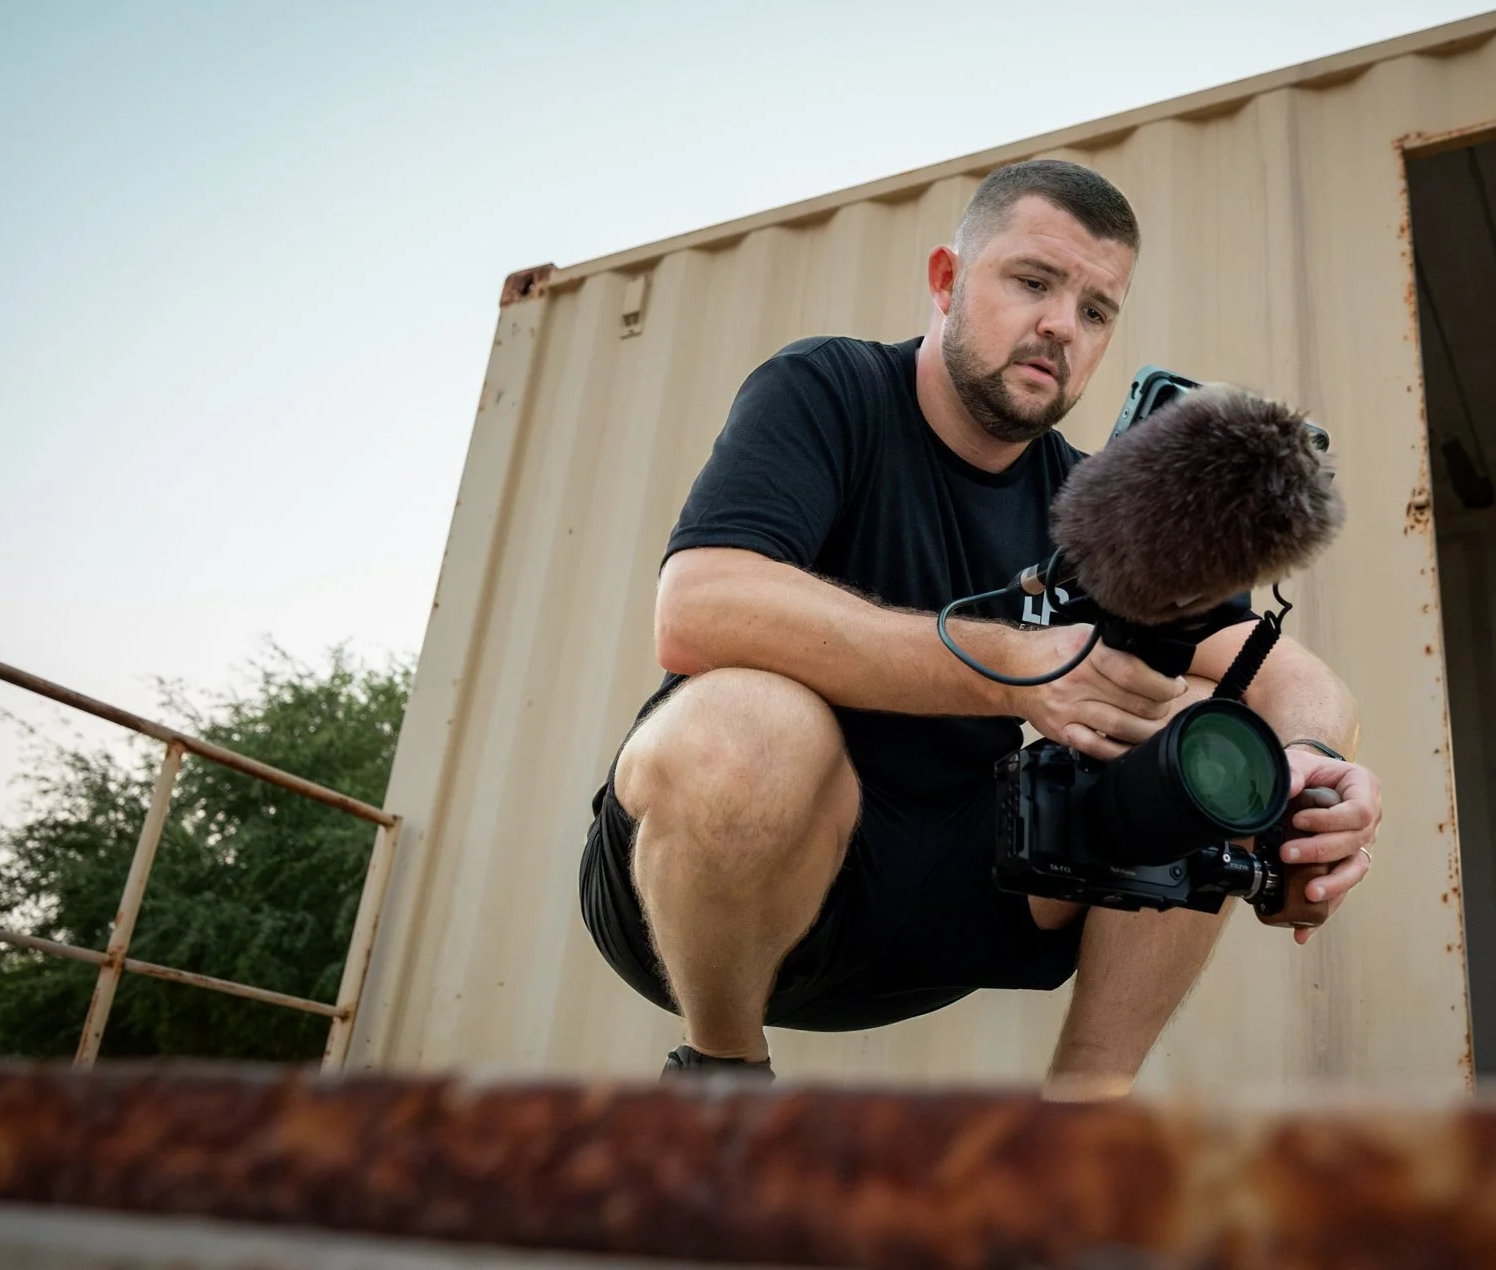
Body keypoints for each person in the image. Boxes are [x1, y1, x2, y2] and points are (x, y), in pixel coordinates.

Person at [578, 159, 1382, 1097]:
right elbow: (698, 608)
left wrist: (1310, 777)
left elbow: (1297, 677)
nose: (1060, 326)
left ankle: (1084, 1115)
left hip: (953, 893)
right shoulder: (830, 389)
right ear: (948, 280)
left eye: (1095, 310)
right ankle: (722, 1071)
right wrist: (1009, 668)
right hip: (724, 885)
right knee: (744, 724)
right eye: (1034, 282)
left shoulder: (1096, 504)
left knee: (1201, 732)